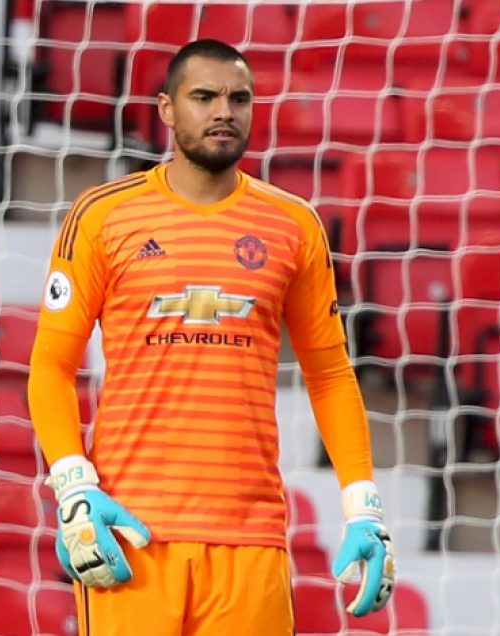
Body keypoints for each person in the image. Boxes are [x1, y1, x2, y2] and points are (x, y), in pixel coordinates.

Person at [27, 38, 396, 636]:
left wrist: (364, 508)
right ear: (167, 109)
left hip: (250, 540)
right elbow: (51, 366)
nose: (224, 110)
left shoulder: (293, 225)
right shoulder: (102, 215)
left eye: (239, 98)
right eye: (204, 96)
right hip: (132, 533)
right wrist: (72, 486)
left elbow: (329, 375)